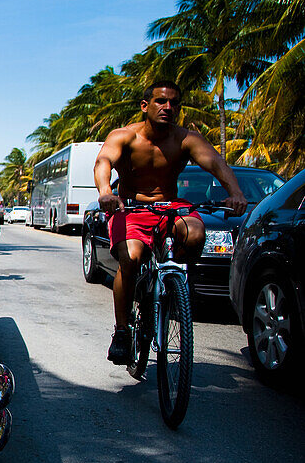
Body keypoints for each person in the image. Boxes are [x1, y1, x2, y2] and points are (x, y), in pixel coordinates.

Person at [95, 80, 246, 368]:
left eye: (174, 103)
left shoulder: (186, 139)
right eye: (161, 101)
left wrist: (235, 192)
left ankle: (173, 285)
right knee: (131, 257)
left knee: (195, 233)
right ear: (145, 106)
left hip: (170, 205)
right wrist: (105, 192)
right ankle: (123, 331)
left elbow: (216, 164)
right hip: (132, 207)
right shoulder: (125, 136)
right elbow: (103, 161)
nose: (168, 107)